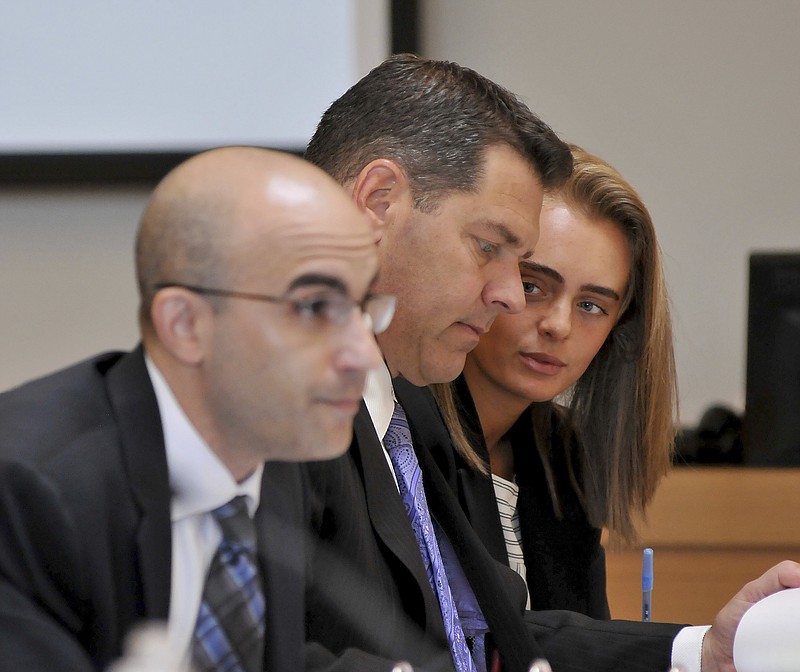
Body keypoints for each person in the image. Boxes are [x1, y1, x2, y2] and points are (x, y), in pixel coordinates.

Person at [301, 53, 800, 672]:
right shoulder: (279, 403)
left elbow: (492, 632)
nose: (515, 297)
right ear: (378, 200)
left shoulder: (413, 421)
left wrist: (703, 650)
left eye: (594, 305)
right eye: (493, 251)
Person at [0, 147, 388, 671]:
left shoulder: (271, 455)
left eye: (364, 308)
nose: (363, 352)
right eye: (316, 307)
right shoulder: (26, 489)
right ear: (185, 325)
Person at [431, 144, 676, 617]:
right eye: (533, 286)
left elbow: (571, 640)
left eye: (591, 305)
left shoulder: (566, 454)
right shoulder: (395, 434)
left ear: (617, 328)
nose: (558, 325)